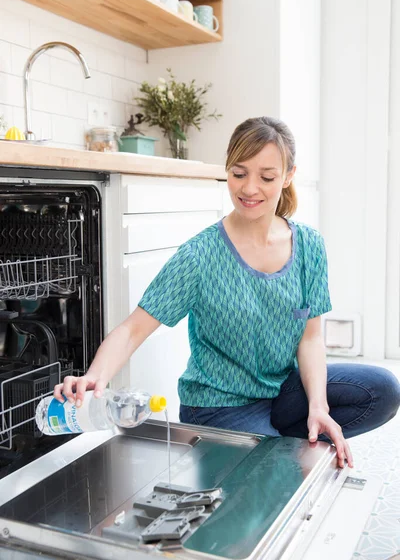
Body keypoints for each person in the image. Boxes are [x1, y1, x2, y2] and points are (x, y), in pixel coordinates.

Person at [55, 116, 400, 469]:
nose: (250, 188)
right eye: (238, 174)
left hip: (282, 393)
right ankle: (268, 456)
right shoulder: (200, 256)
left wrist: (318, 407)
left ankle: (276, 446)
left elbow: (310, 339)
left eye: (266, 177)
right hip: (219, 406)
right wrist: (94, 376)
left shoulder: (309, 246)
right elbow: (132, 330)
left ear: (288, 175)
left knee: (383, 390)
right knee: (274, 480)